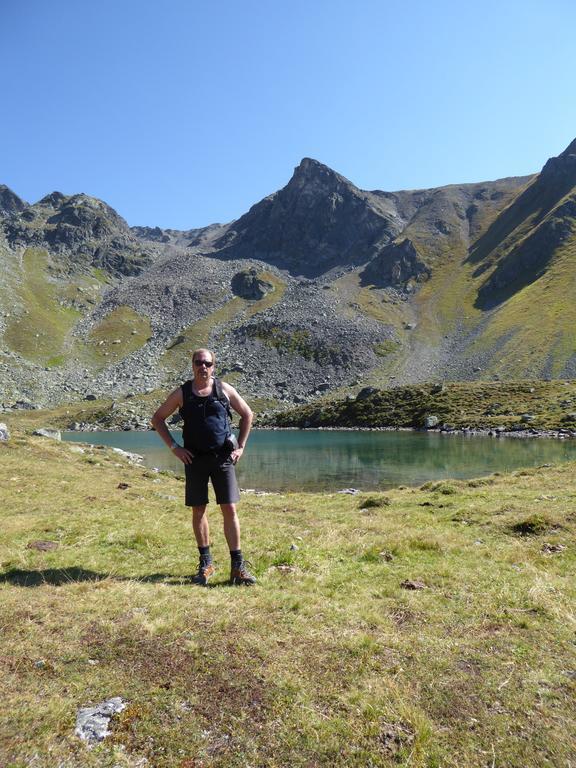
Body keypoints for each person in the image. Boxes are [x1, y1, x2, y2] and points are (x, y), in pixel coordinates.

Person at [151, 348, 256, 586]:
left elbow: (247, 414)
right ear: (192, 365)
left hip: (223, 458)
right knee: (198, 510)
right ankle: (206, 563)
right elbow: (157, 418)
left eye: (207, 363)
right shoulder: (182, 393)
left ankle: (237, 567)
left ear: (214, 366)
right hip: (194, 459)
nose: (203, 367)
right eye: (199, 362)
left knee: (229, 507)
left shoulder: (225, 390)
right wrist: (174, 447)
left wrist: (240, 446)